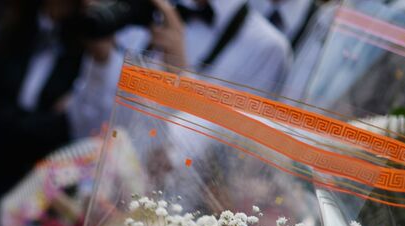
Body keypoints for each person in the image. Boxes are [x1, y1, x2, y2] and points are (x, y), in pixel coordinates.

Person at [68, 0, 292, 136]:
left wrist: (181, 78)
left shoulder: (267, 48)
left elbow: (215, 163)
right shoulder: (150, 9)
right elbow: (84, 129)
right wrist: (101, 58)